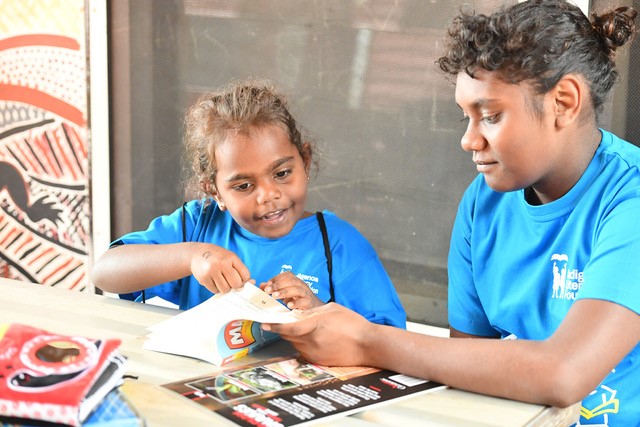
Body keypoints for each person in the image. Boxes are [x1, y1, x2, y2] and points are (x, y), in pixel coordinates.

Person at [263, 1, 640, 424]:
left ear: (565, 102)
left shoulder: (630, 204)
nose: (468, 140)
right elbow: (462, 360)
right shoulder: (483, 203)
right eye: (466, 117)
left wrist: (367, 341)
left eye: (491, 116)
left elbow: (565, 372)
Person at [91, 81, 406, 329]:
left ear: (305, 162)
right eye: (243, 185)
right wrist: (191, 257)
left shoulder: (338, 245)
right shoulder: (197, 226)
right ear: (214, 191)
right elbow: (105, 272)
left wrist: (319, 313)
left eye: (282, 173)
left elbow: (389, 336)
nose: (268, 194)